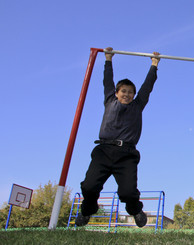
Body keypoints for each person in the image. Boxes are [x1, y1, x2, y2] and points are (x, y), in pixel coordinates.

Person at [75, 47, 160, 228]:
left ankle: (136, 210)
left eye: (130, 92)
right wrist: (108, 59)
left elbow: (147, 87)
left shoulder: (138, 105)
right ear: (116, 92)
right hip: (104, 150)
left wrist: (154, 65)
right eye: (123, 91)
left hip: (127, 154)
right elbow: (107, 80)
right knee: (89, 186)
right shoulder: (109, 101)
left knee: (128, 192)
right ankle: (87, 210)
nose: (127, 94)